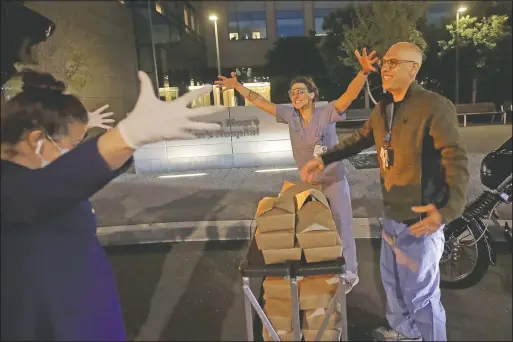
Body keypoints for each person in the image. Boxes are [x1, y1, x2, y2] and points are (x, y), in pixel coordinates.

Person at [1, 68, 222, 341]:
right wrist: (126, 136)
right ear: (35, 140)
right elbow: (51, 187)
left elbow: (67, 179)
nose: (73, 154)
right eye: (73, 145)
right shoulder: (14, 187)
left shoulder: (41, 177)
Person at [300, 42, 469, 341]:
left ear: (413, 69)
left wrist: (447, 210)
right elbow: (360, 139)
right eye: (385, 63)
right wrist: (323, 158)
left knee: (421, 298)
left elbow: (455, 160)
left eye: (393, 62)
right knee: (392, 286)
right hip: (391, 216)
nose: (385, 68)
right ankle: (406, 334)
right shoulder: (384, 107)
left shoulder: (435, 106)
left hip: (420, 222)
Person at [215, 48, 378, 293]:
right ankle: (319, 267)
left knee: (342, 224)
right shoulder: (290, 116)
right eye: (292, 92)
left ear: (312, 94)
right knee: (311, 225)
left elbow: (349, 96)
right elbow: (261, 102)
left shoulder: (326, 113)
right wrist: (238, 86)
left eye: (301, 91)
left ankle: (350, 273)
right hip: (310, 183)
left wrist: (364, 72)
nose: (295, 95)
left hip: (333, 180)